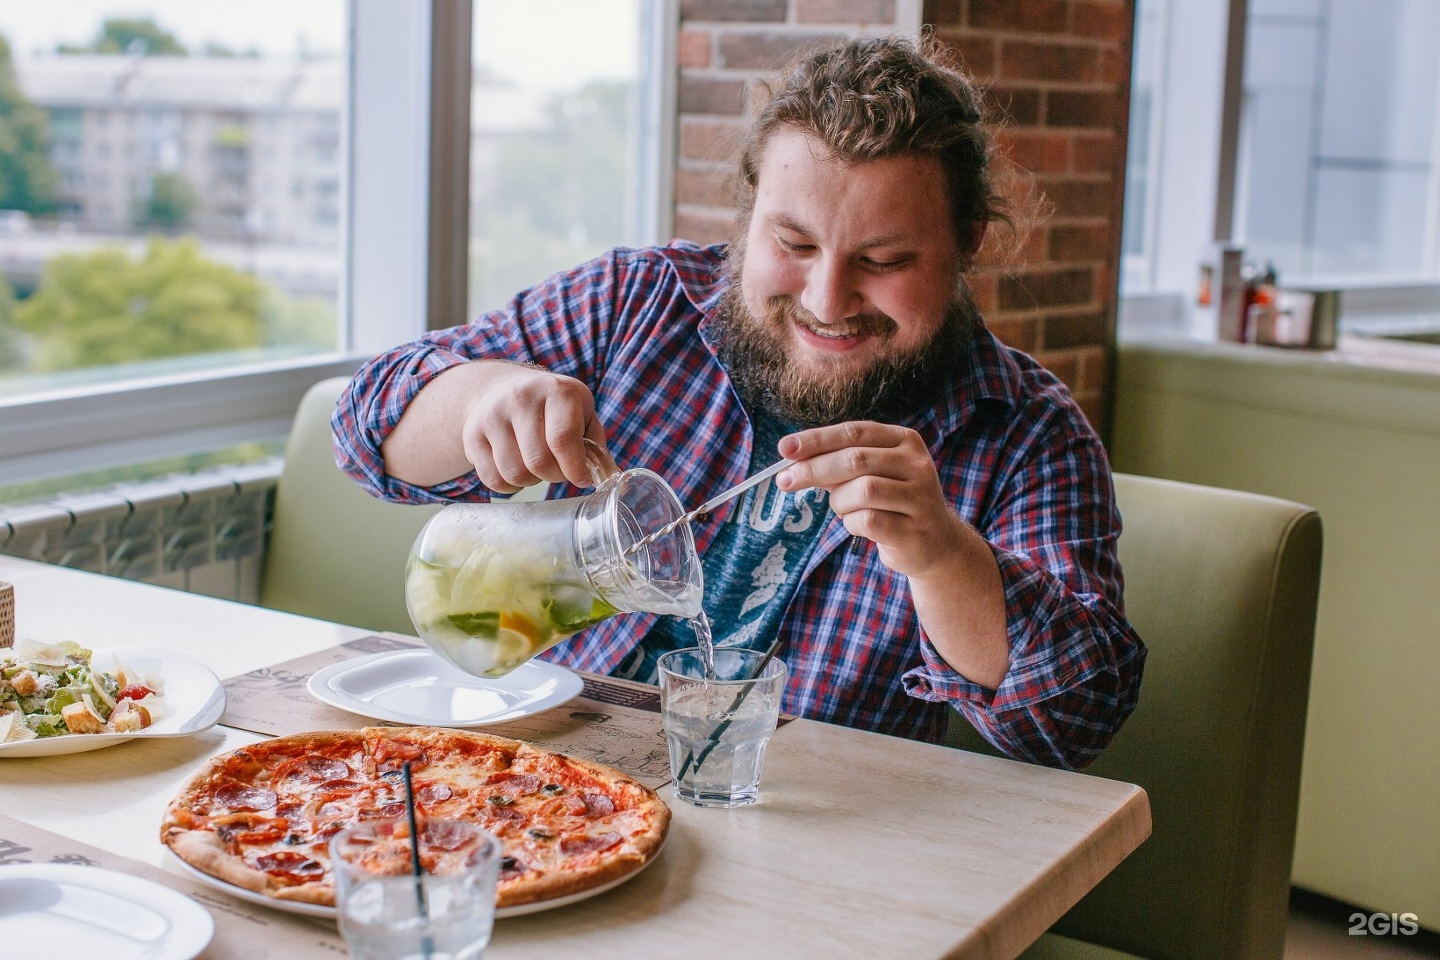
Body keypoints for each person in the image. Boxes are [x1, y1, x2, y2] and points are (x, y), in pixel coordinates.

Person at [333, 35, 1144, 771]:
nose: (829, 298)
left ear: (967, 243)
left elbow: (1075, 723)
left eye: (885, 258)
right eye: (793, 245)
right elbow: (363, 434)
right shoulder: (635, 303)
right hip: (543, 782)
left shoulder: (1027, 429)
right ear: (748, 216)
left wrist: (940, 556)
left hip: (804, 839)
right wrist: (479, 394)